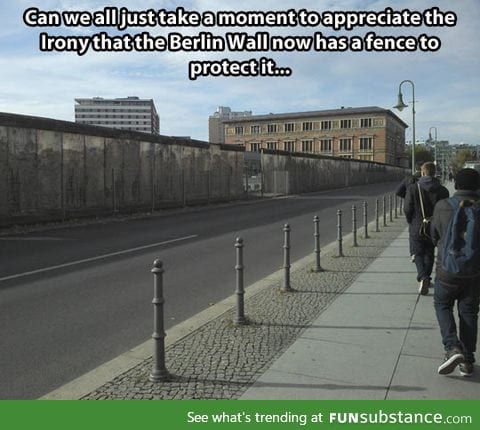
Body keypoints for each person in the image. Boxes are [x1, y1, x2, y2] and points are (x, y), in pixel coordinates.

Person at [431, 168, 480, 376]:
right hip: (475, 271)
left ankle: (452, 347)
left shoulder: (442, 206)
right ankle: (467, 361)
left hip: (447, 269)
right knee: (469, 312)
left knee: (442, 304)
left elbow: (434, 235)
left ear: (456, 185)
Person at [404, 162, 449, 295]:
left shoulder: (413, 188)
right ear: (434, 173)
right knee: (429, 252)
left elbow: (407, 208)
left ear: (422, 173)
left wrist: (410, 221)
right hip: (434, 226)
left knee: (417, 252)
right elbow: (445, 211)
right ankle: (427, 278)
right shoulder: (442, 190)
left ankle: (422, 276)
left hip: (417, 224)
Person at [395, 169, 421, 262]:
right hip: (426, 209)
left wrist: (406, 197)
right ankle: (423, 253)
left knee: (413, 232)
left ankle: (414, 253)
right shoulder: (425, 179)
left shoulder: (408, 179)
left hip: (412, 208)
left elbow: (398, 191)